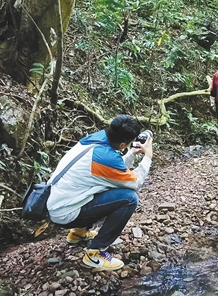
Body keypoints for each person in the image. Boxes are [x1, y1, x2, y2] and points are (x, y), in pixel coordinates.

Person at [46, 115, 153, 271]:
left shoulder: (95, 139)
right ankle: (95, 253)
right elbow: (135, 182)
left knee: (105, 185)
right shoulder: (105, 158)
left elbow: (110, 170)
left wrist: (131, 153)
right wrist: (148, 156)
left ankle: (78, 233)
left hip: (56, 203)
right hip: (65, 214)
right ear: (123, 144)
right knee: (129, 199)